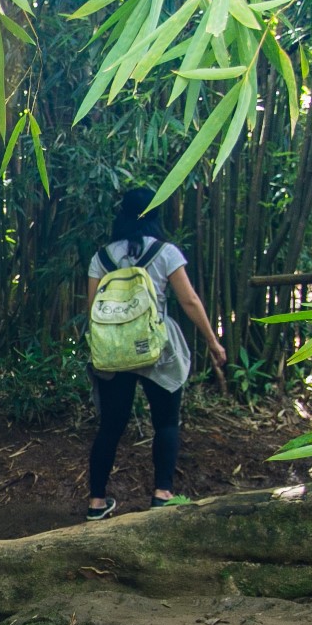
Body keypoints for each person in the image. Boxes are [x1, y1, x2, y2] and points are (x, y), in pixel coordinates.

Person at [82, 188, 227, 520]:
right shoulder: (166, 253)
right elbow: (189, 301)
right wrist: (212, 342)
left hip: (114, 351)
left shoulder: (101, 257)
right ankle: (162, 495)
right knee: (166, 422)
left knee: (110, 427)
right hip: (156, 349)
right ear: (155, 215)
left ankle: (96, 503)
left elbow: (92, 309)